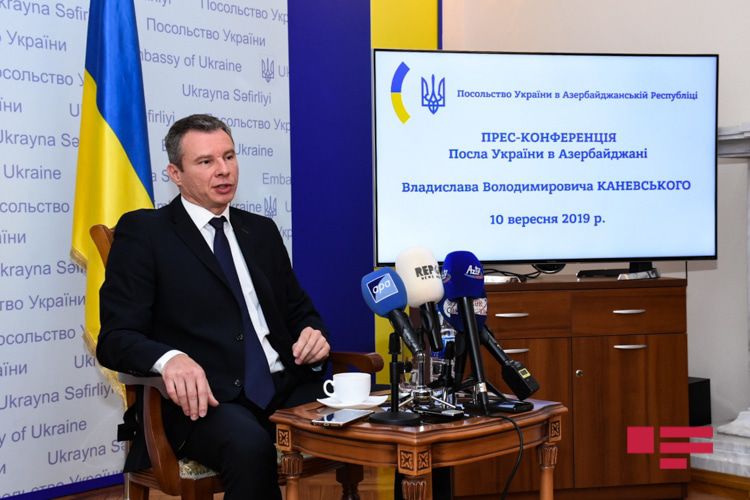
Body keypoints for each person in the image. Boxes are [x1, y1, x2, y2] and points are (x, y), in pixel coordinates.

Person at [96, 114, 330, 499]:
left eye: (229, 156)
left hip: (284, 388)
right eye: (206, 161)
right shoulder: (145, 233)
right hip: (203, 402)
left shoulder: (261, 230)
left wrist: (312, 334)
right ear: (175, 173)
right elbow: (115, 338)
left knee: (387, 421)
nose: (224, 170)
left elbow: (299, 311)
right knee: (249, 445)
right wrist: (170, 359)